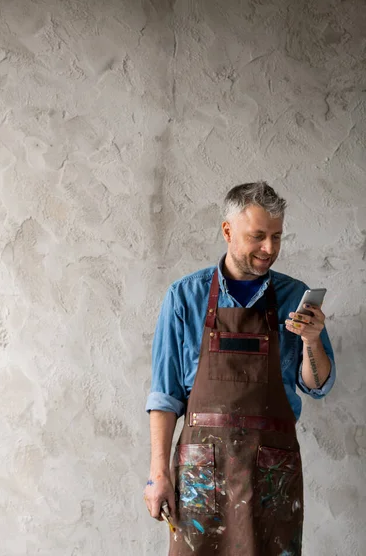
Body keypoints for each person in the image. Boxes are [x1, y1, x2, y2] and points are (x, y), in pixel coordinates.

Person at [144, 181, 336, 555]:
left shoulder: (295, 298)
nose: (269, 249)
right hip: (201, 473)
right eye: (258, 236)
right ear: (228, 231)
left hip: (271, 472)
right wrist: (157, 474)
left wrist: (312, 340)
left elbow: (318, 385)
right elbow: (165, 397)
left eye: (277, 237)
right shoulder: (185, 297)